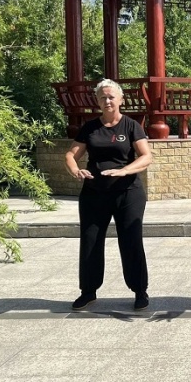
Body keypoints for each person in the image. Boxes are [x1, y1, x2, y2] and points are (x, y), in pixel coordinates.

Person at [64, 79, 153, 311]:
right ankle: (88, 291)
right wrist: (76, 170)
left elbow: (146, 156)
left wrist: (124, 170)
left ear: (121, 99)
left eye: (111, 96)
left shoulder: (131, 126)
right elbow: (71, 155)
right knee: (91, 241)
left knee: (131, 240)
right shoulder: (90, 127)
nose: (107, 101)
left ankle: (140, 291)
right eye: (102, 97)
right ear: (97, 101)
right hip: (94, 194)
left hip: (128, 193)